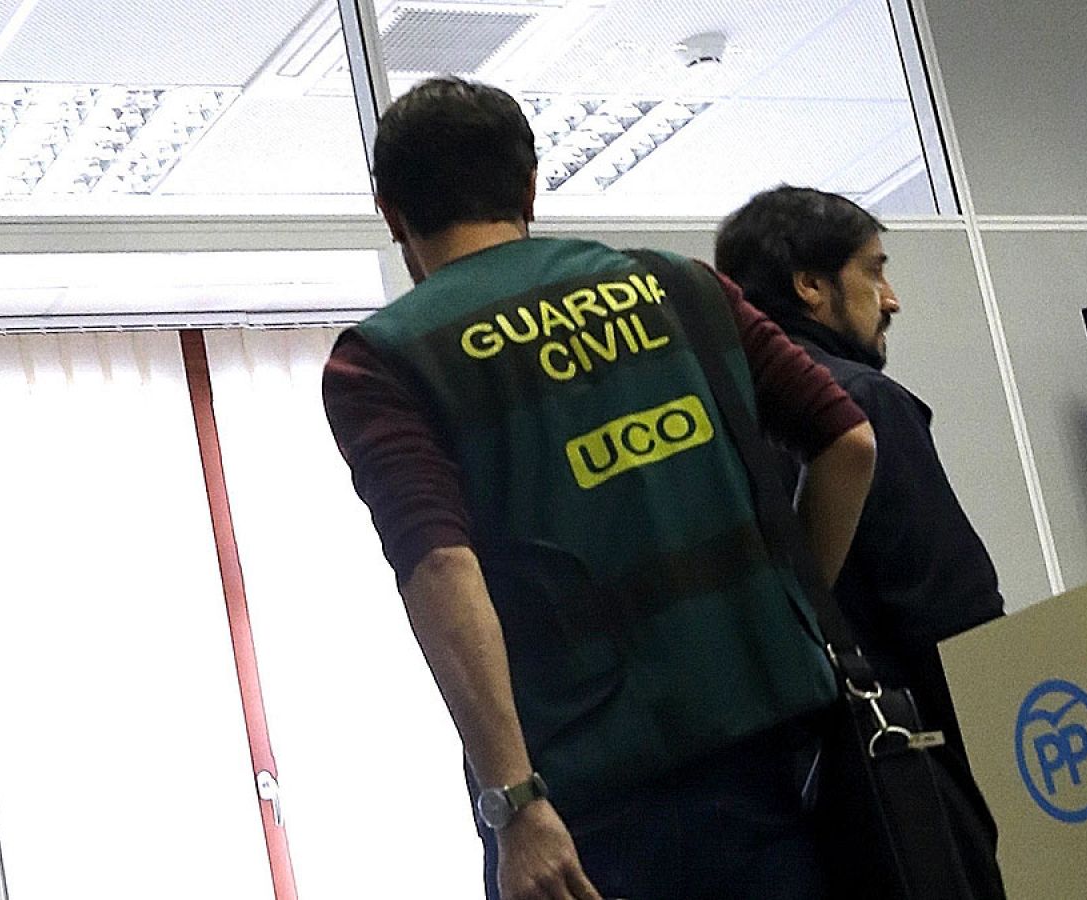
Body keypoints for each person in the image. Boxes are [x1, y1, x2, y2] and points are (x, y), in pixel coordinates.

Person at [322, 79, 876, 900]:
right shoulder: (681, 288)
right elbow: (850, 442)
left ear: (391, 212)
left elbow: (440, 566)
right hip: (776, 770)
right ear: (530, 187)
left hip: (589, 811)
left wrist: (514, 802)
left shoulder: (387, 359)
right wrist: (778, 607)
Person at [715, 185, 1008, 897]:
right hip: (899, 783)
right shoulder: (861, 407)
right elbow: (950, 613)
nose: (892, 297)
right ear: (810, 286)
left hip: (787, 811)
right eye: (872, 271)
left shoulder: (717, 422)